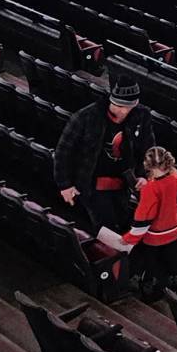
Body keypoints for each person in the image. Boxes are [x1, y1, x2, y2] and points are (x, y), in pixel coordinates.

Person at [55, 73, 159, 236]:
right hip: (92, 183)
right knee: (106, 228)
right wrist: (64, 184)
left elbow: (148, 150)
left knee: (124, 222)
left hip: (123, 183)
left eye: (128, 107)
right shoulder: (86, 117)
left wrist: (144, 176)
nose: (123, 111)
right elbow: (63, 151)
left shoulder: (142, 115)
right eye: (119, 105)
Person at [102, 145, 177, 295]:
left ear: (148, 165)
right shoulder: (176, 178)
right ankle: (176, 282)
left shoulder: (150, 189)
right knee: (173, 256)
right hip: (173, 227)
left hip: (155, 233)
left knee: (150, 260)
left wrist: (128, 238)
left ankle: (146, 286)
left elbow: (144, 218)